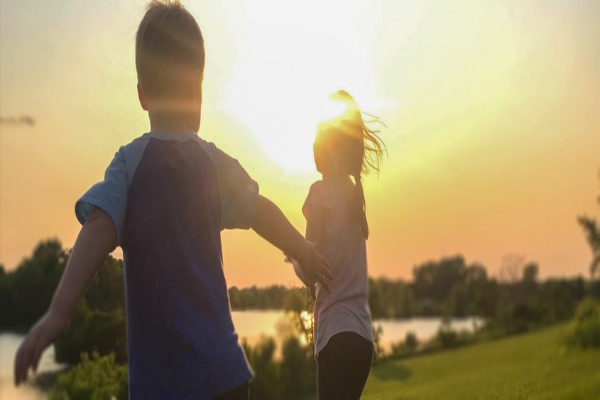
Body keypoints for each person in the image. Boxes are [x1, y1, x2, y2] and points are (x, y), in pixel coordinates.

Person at [13, 1, 333, 399]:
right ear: (197, 88)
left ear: (142, 95)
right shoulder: (213, 163)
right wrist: (301, 248)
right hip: (224, 378)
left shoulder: (129, 166)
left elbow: (97, 229)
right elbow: (261, 210)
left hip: (162, 387)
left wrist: (59, 313)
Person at [295, 90, 385, 399]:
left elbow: (307, 267)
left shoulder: (319, 195)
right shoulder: (353, 196)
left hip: (336, 333)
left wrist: (294, 253)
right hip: (361, 339)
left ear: (327, 147)